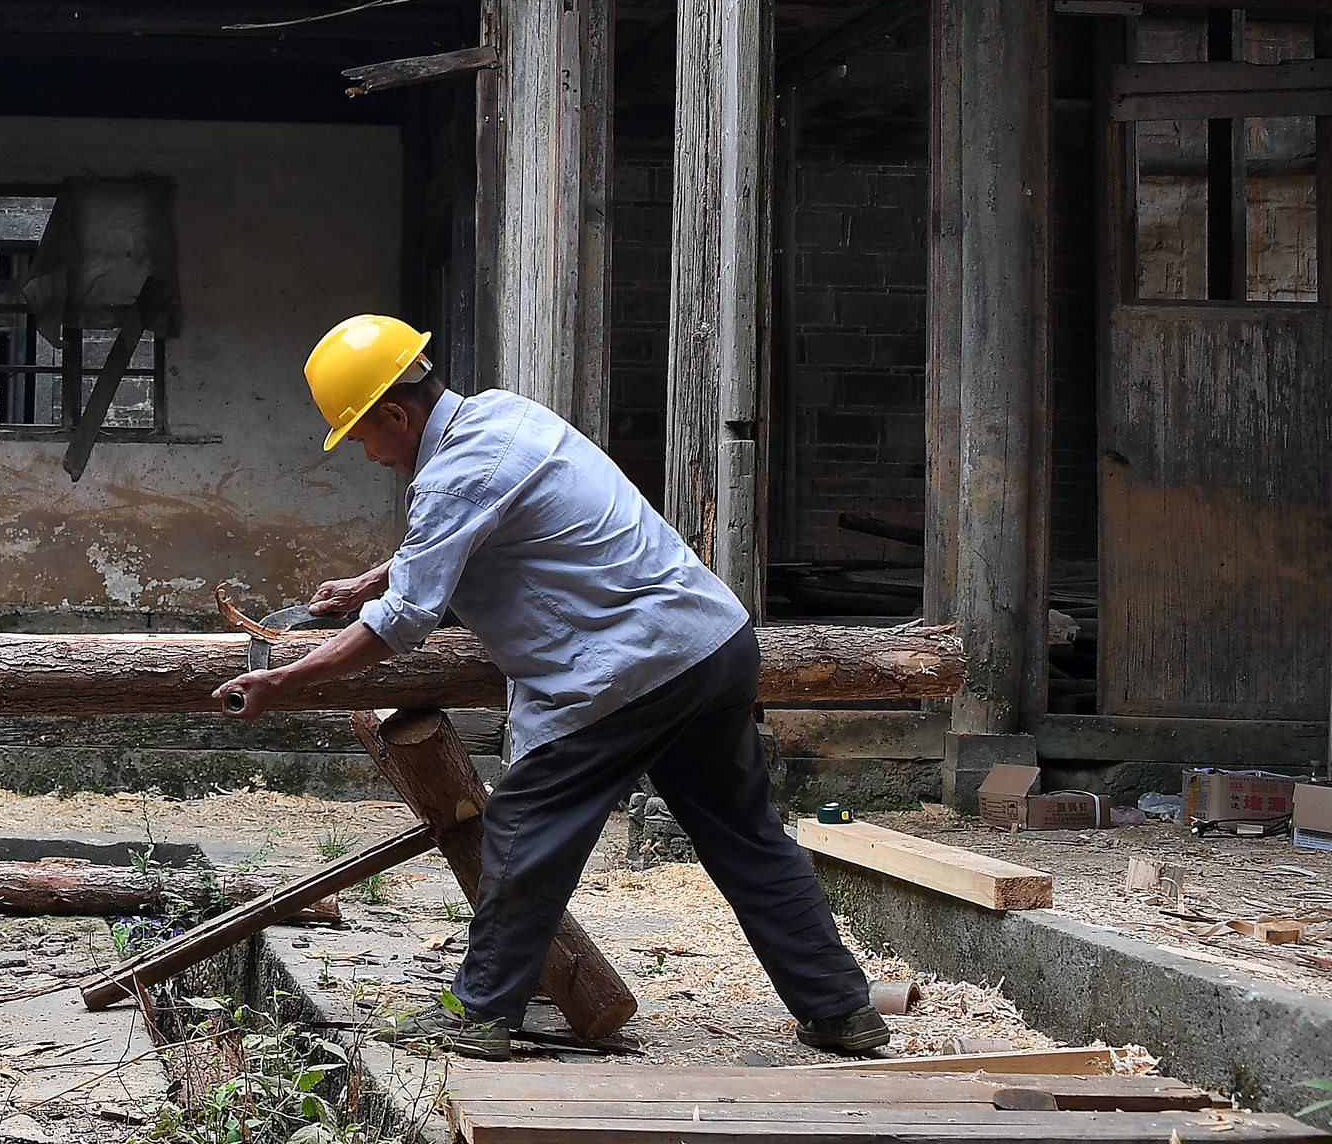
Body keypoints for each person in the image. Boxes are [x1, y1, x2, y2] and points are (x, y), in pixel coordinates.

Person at [215, 315, 886, 1061]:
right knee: (747, 836)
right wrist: (374, 578)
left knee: (525, 828)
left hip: (629, 669)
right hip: (711, 643)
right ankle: (841, 1009)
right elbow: (474, 533)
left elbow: (401, 624)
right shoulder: (506, 414)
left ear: (397, 414)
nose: (370, 455)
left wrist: (283, 678)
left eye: (362, 438)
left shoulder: (449, 475)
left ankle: (480, 1013)